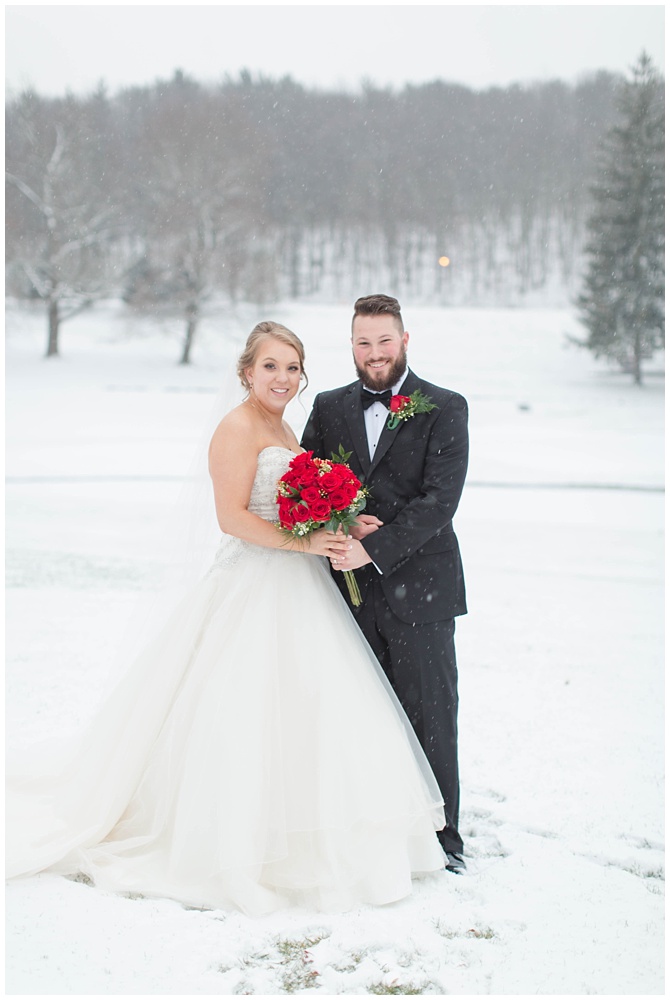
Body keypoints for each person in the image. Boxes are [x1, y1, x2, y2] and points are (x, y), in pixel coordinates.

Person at [6, 320, 449, 916]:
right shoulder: (236, 428)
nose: (283, 378)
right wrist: (306, 545)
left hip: (301, 586)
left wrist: (343, 524)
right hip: (254, 584)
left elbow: (299, 507)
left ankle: (307, 827)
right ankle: (234, 838)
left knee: (311, 709)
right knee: (242, 712)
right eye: (270, 366)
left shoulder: (286, 427)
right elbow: (233, 519)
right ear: (246, 371)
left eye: (292, 367)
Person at [301, 295, 469, 872]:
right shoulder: (327, 407)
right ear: (351, 346)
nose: (374, 353)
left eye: (384, 341)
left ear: (404, 340)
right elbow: (303, 486)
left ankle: (442, 837)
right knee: (356, 716)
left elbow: (438, 504)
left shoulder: (445, 407)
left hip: (420, 591)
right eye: (363, 342)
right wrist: (339, 527)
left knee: (430, 713)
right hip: (342, 594)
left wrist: (371, 548)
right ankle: (367, 830)